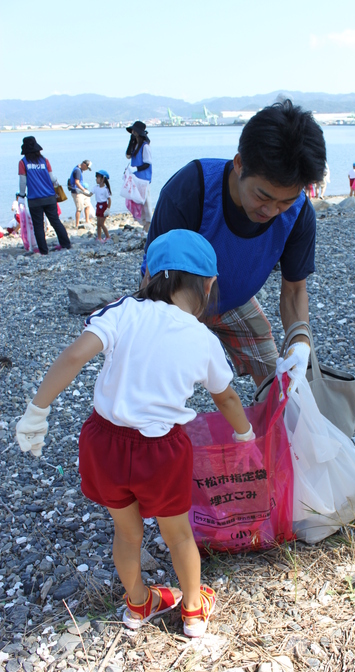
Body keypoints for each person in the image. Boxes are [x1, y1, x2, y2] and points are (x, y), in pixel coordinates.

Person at [16, 229, 254, 636]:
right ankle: (194, 611)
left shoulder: (123, 311)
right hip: (162, 452)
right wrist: (245, 438)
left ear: (148, 277)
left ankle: (139, 603)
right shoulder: (203, 339)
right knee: (178, 535)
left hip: (103, 443)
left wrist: (36, 413)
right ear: (209, 284)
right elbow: (227, 399)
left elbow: (74, 356)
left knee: (127, 533)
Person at [141, 100, 327, 391]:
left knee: (280, 383)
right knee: (162, 387)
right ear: (239, 164)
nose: (272, 211)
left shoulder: (299, 213)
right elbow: (155, 278)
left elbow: (294, 291)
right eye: (262, 196)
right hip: (175, 299)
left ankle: (276, 432)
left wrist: (300, 341)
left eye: (285, 201)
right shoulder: (192, 189)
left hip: (235, 302)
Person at [17, 137, 71, 255]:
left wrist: (21, 195)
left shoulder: (23, 162)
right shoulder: (44, 161)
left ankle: (43, 250)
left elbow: (22, 181)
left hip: (34, 199)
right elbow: (52, 178)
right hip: (50, 197)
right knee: (55, 221)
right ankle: (66, 243)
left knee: (38, 226)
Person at [126, 121, 153, 233]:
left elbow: (148, 163)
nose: (132, 132)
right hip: (136, 178)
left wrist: (136, 169)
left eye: (134, 131)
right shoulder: (136, 145)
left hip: (143, 178)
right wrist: (131, 142)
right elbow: (128, 155)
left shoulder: (145, 146)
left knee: (145, 202)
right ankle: (144, 225)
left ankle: (149, 224)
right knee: (138, 202)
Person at [68, 160, 93, 228]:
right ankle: (77, 224)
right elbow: (77, 182)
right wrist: (84, 189)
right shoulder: (78, 171)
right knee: (79, 208)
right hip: (77, 192)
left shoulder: (79, 168)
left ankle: (87, 220)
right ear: (84, 165)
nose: (86, 170)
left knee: (87, 205)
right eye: (87, 168)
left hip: (81, 191)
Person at [91, 170, 112, 243]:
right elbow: (89, 194)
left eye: (98, 178)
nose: (96, 179)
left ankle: (108, 236)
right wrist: (82, 192)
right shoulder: (96, 188)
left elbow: (109, 200)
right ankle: (99, 237)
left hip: (104, 206)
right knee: (98, 224)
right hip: (98, 206)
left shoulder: (106, 190)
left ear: (103, 179)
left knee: (101, 223)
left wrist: (108, 209)